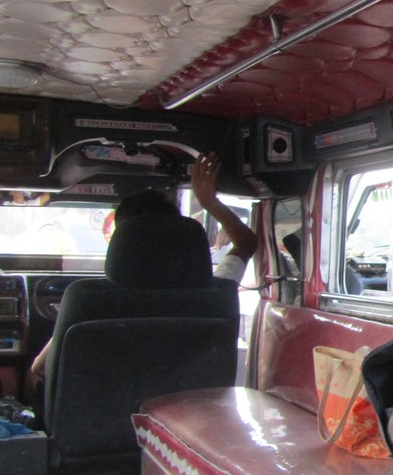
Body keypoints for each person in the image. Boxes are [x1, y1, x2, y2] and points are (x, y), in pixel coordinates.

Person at [25, 152, 256, 398]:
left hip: (99, 422)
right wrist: (209, 202)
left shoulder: (86, 301)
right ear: (178, 235)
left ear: (121, 242)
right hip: (188, 422)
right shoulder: (217, 294)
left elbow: (39, 369)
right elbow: (246, 243)